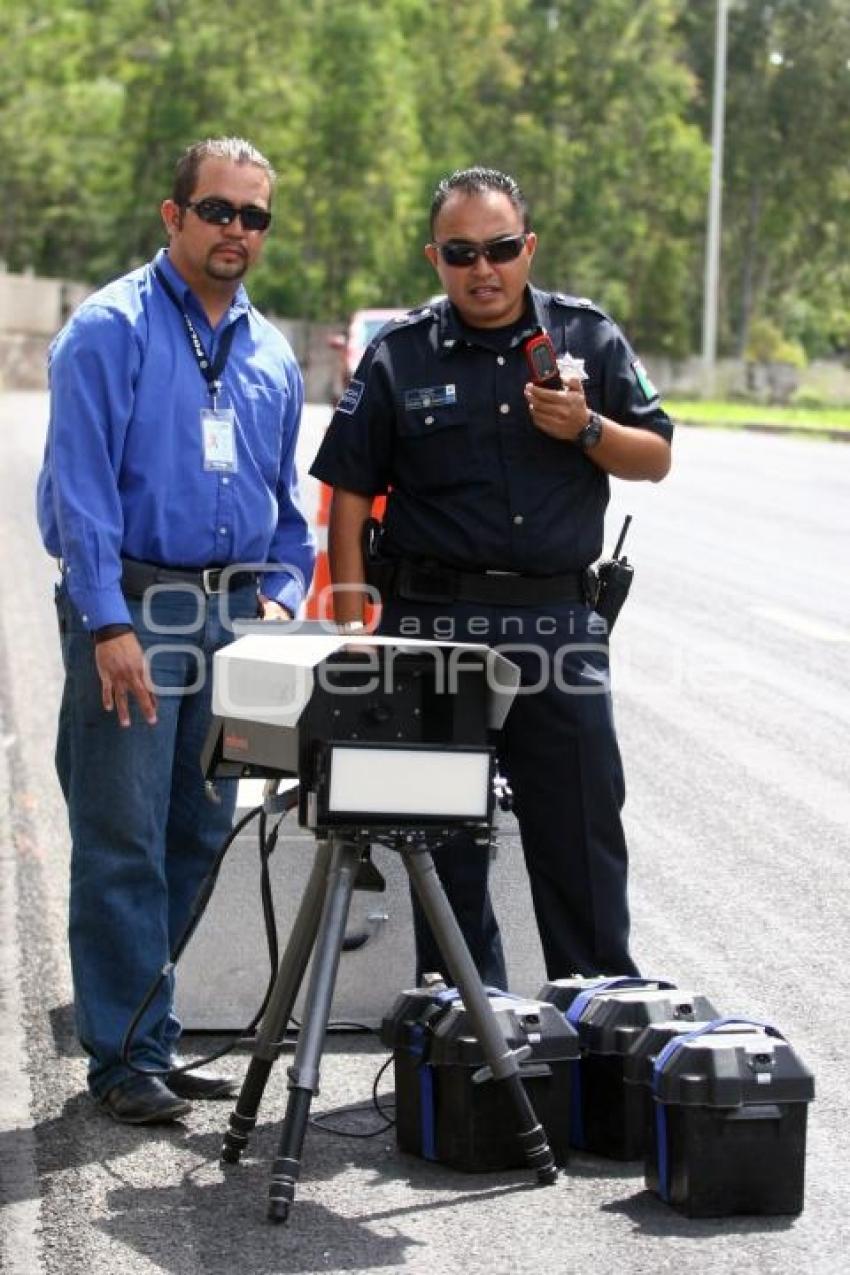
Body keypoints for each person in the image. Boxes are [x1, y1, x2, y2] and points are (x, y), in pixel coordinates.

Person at [310, 166, 672, 990]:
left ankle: (600, 1026)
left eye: (502, 248)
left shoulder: (588, 338)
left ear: (529, 247)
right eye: (462, 252)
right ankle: (473, 1049)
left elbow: (655, 455)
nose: (484, 268)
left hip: (557, 626)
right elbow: (351, 494)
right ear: (434, 257)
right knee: (445, 853)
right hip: (432, 627)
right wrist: (353, 627)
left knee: (579, 838)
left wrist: (586, 429)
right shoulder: (399, 354)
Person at [37, 137, 315, 1124]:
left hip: (238, 621)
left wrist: (282, 599)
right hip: (137, 612)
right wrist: (106, 622)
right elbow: (79, 492)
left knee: (202, 830)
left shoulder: (273, 353)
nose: (237, 231)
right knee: (123, 838)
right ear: (174, 216)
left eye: (254, 216)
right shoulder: (107, 331)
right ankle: (122, 1059)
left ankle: (153, 1029)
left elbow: (290, 508)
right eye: (219, 210)